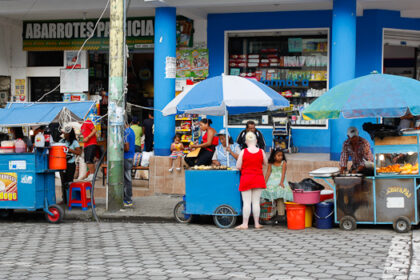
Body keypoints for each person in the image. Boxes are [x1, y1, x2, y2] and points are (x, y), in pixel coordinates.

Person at [235, 132, 268, 229]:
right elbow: (265, 163)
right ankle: (257, 223)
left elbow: (238, 166)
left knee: (246, 202)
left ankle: (245, 224)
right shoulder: (261, 151)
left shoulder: (243, 152)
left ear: (246, 141)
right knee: (256, 202)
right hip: (258, 178)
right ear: (256, 141)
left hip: (246, 178)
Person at [261, 149, 293, 223]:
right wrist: (264, 183)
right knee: (268, 191)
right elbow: (268, 173)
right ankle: (271, 214)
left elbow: (283, 173)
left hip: (280, 180)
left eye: (281, 155)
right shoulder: (270, 163)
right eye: (278, 155)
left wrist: (281, 182)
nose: (280, 157)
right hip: (272, 180)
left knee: (280, 192)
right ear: (274, 156)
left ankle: (281, 215)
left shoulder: (283, 163)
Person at [59, 125, 81, 204]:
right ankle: (64, 199)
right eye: (64, 133)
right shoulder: (62, 141)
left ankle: (70, 199)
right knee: (63, 182)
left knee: (69, 182)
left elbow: (79, 152)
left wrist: (70, 150)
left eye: (66, 133)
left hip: (71, 164)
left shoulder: (75, 142)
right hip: (62, 164)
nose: (64, 134)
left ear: (69, 134)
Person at [124, 115, 136, 207]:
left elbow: (126, 147)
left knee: (127, 179)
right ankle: (127, 198)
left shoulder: (125, 132)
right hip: (130, 156)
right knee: (127, 178)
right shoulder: (131, 131)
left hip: (126, 157)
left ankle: (128, 199)